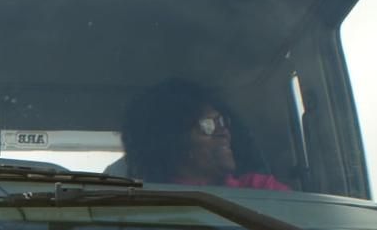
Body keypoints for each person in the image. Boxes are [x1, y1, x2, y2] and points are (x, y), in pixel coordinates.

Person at [119, 79, 288, 190]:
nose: (224, 132)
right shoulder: (146, 206)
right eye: (208, 125)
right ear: (173, 143)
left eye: (221, 122)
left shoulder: (261, 189)